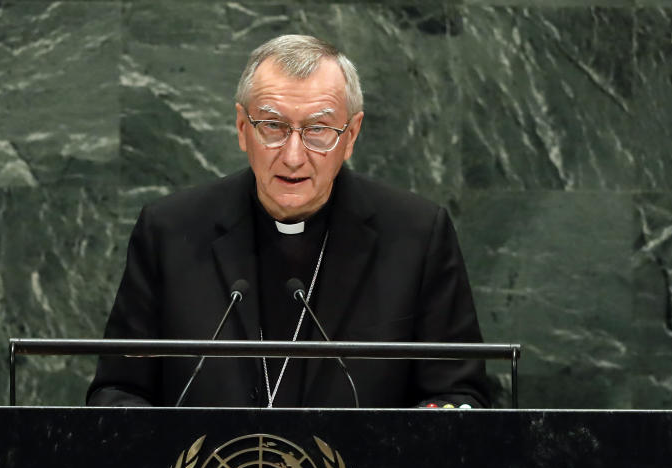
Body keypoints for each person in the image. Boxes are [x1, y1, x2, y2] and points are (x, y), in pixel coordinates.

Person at [87, 34, 490, 408]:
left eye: (317, 130)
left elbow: (457, 392)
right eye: (273, 127)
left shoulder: (416, 236)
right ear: (243, 129)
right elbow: (119, 388)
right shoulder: (170, 232)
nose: (294, 156)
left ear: (351, 135)